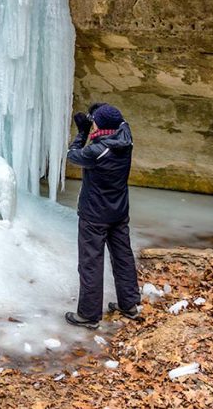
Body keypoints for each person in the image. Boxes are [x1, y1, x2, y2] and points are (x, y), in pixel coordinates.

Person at [64, 103, 141, 328]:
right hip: (118, 211)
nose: (93, 122)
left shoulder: (97, 151)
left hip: (94, 216)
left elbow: (72, 155)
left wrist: (82, 133)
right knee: (123, 256)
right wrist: (98, 113)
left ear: (101, 126)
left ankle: (88, 315)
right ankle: (129, 305)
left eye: (95, 120)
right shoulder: (126, 136)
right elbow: (120, 120)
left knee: (91, 263)